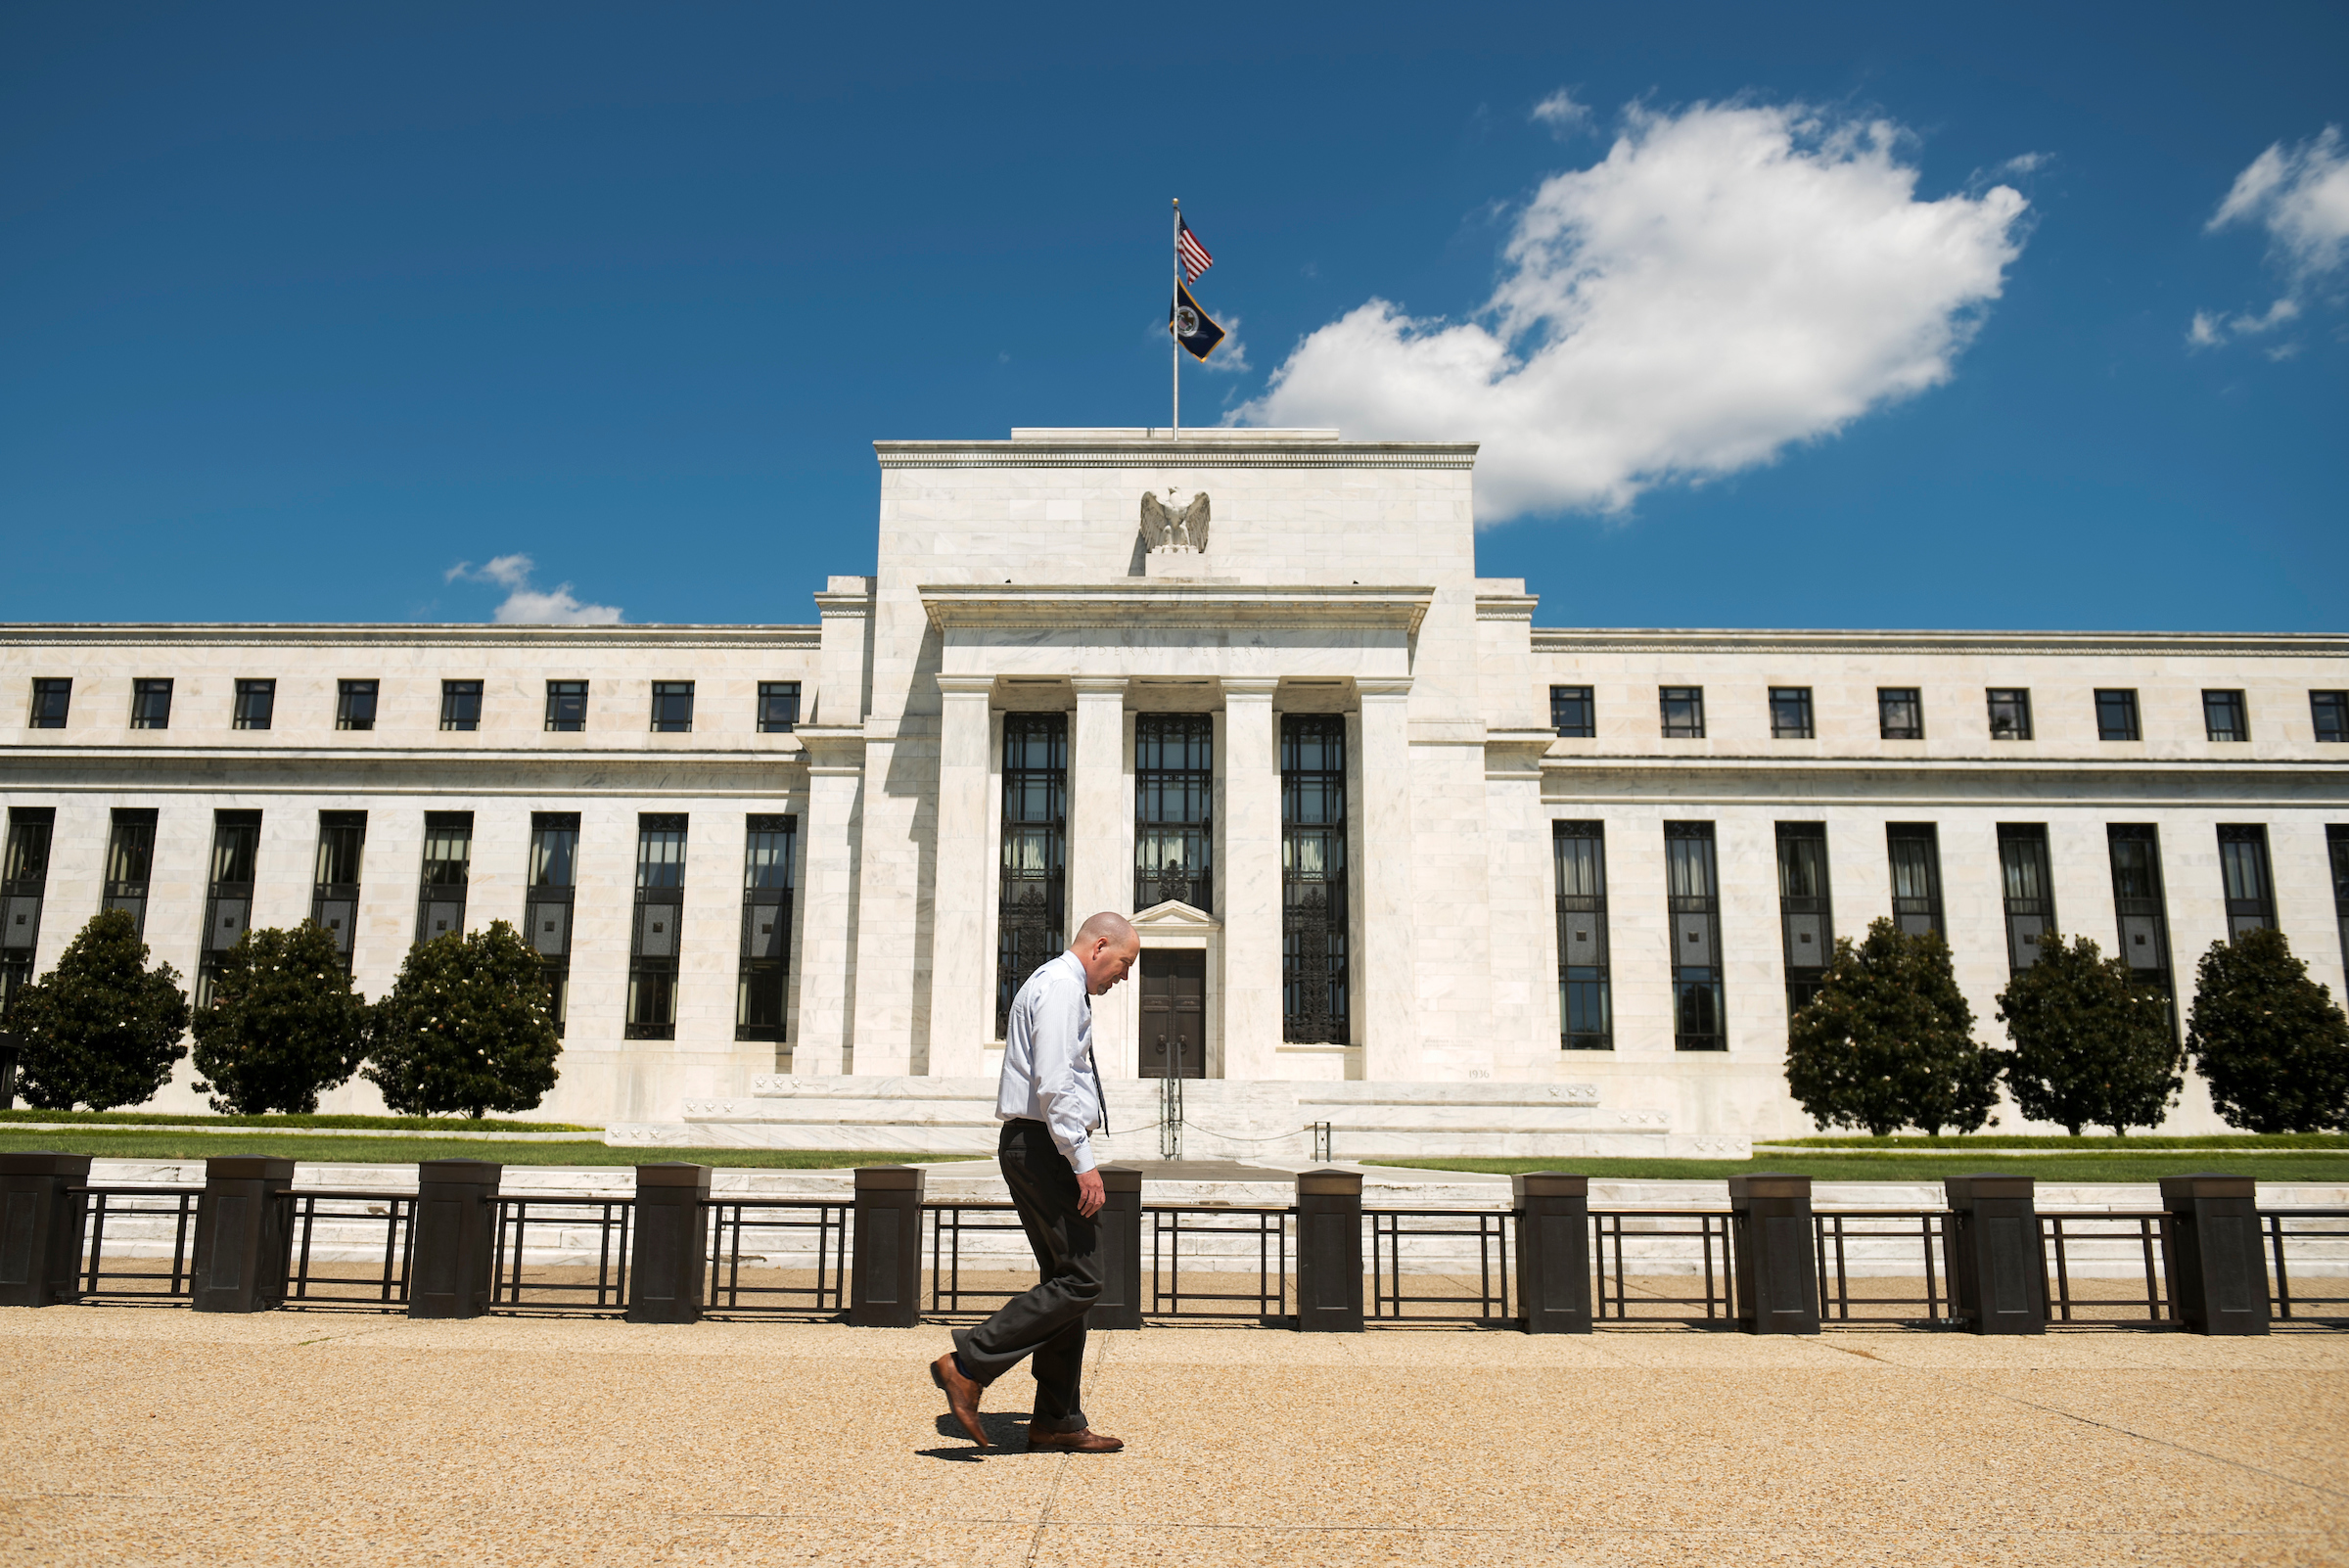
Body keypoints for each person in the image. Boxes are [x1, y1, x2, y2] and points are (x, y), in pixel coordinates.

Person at [930, 910, 1139, 1453]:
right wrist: (1082, 1158)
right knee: (1083, 1280)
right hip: (1043, 1144)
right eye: (1123, 963)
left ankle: (1056, 1421)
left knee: (1068, 1280)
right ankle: (968, 1362)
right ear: (1099, 946)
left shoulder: (1059, 985)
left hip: (1039, 1144)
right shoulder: (1061, 988)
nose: (1123, 976)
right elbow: (1053, 1082)